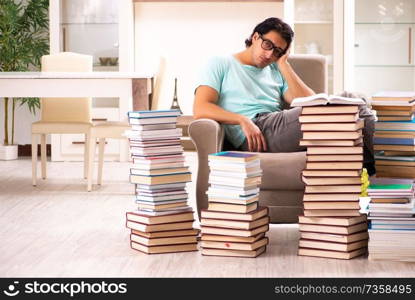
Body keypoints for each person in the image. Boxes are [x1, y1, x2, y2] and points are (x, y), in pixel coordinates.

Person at [193, 17, 375, 175]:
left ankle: (374, 167)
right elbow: (201, 108)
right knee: (353, 106)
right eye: (268, 45)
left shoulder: (275, 68)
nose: (269, 54)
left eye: (277, 51)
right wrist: (241, 120)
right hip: (257, 130)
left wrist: (283, 64)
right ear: (255, 37)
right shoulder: (221, 63)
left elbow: (312, 102)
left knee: (353, 99)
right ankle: (385, 164)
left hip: (277, 125)